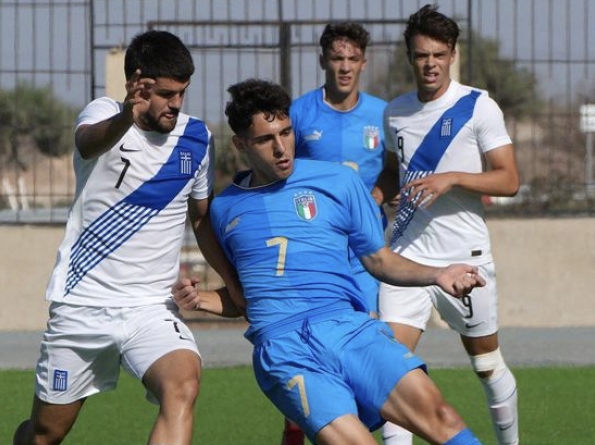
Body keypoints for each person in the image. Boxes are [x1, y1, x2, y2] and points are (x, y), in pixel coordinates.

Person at [173, 78, 485, 445]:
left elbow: (379, 260)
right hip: (285, 350)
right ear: (241, 144)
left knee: (442, 417)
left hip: (349, 329)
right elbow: (246, 299)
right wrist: (201, 299)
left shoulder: (339, 182)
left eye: (286, 133)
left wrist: (438, 274)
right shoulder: (225, 209)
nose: (281, 148)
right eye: (265, 140)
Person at [13, 30, 238, 445]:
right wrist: (125, 117)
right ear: (139, 84)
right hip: (83, 306)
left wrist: (232, 282)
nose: (176, 103)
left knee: (183, 385)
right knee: (45, 434)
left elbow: (201, 219)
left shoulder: (197, 138)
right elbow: (87, 143)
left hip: (151, 307)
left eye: (182, 92)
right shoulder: (104, 114)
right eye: (166, 93)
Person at [374, 5, 521, 445]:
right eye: (422, 55)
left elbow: (509, 180)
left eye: (439, 55)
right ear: (409, 57)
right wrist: (373, 199)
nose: (431, 64)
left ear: (453, 54)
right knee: (391, 369)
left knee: (486, 365)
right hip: (406, 256)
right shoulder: (395, 112)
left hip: (464, 257)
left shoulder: (478, 107)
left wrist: (452, 178)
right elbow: (391, 172)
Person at [284, 21, 389, 444]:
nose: (344, 67)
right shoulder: (299, 113)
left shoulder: (383, 115)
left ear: (364, 62)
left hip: (364, 258)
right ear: (323, 60)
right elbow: (281, 174)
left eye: (352, 58)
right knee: (307, 359)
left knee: (366, 355)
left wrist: (375, 198)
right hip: (315, 257)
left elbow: (393, 172)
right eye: (337, 58)